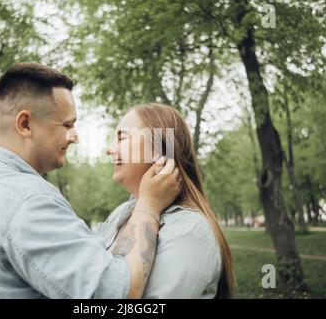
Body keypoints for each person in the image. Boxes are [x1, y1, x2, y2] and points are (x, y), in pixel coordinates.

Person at [0, 63, 180, 298]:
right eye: (67, 125)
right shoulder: (28, 200)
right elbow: (118, 293)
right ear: (25, 124)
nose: (75, 137)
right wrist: (149, 206)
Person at [99, 103, 235, 298]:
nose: (109, 150)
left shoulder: (191, 231)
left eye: (122, 138)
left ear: (156, 149)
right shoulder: (121, 214)